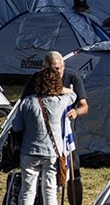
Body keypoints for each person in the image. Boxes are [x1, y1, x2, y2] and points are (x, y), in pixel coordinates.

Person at [20, 52, 87, 205]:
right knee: (44, 187)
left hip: (66, 136)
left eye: (57, 69)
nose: (54, 73)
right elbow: (23, 104)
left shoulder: (72, 78)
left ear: (63, 66)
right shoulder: (35, 81)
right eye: (50, 69)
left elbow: (84, 105)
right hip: (40, 138)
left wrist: (76, 112)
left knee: (72, 174)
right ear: (43, 68)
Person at [13, 67, 76, 205]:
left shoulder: (27, 102)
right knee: (50, 191)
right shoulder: (60, 102)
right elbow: (73, 95)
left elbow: (16, 126)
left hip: (29, 152)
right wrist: (61, 89)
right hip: (53, 152)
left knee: (27, 191)